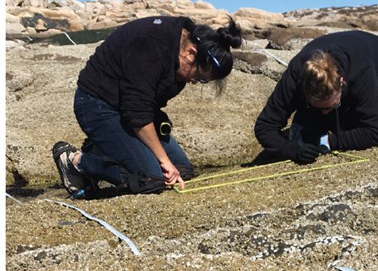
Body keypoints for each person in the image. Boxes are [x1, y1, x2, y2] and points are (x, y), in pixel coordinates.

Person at [52, 15, 242, 197]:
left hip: (129, 110)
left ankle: (104, 146)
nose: (195, 82)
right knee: (151, 180)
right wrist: (164, 160)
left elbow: (145, 105)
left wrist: (167, 161)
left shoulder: (185, 48)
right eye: (199, 77)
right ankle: (75, 162)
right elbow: (138, 113)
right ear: (191, 53)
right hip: (98, 104)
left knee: (181, 172)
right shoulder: (152, 45)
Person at [254, 30, 378, 165]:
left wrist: (326, 142)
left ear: (341, 82)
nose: (325, 112)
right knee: (312, 124)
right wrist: (291, 150)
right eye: (317, 106)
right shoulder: (295, 75)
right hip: (334, 48)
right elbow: (264, 127)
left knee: (347, 125)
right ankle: (321, 109)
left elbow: (376, 134)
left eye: (331, 105)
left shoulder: (360, 71)